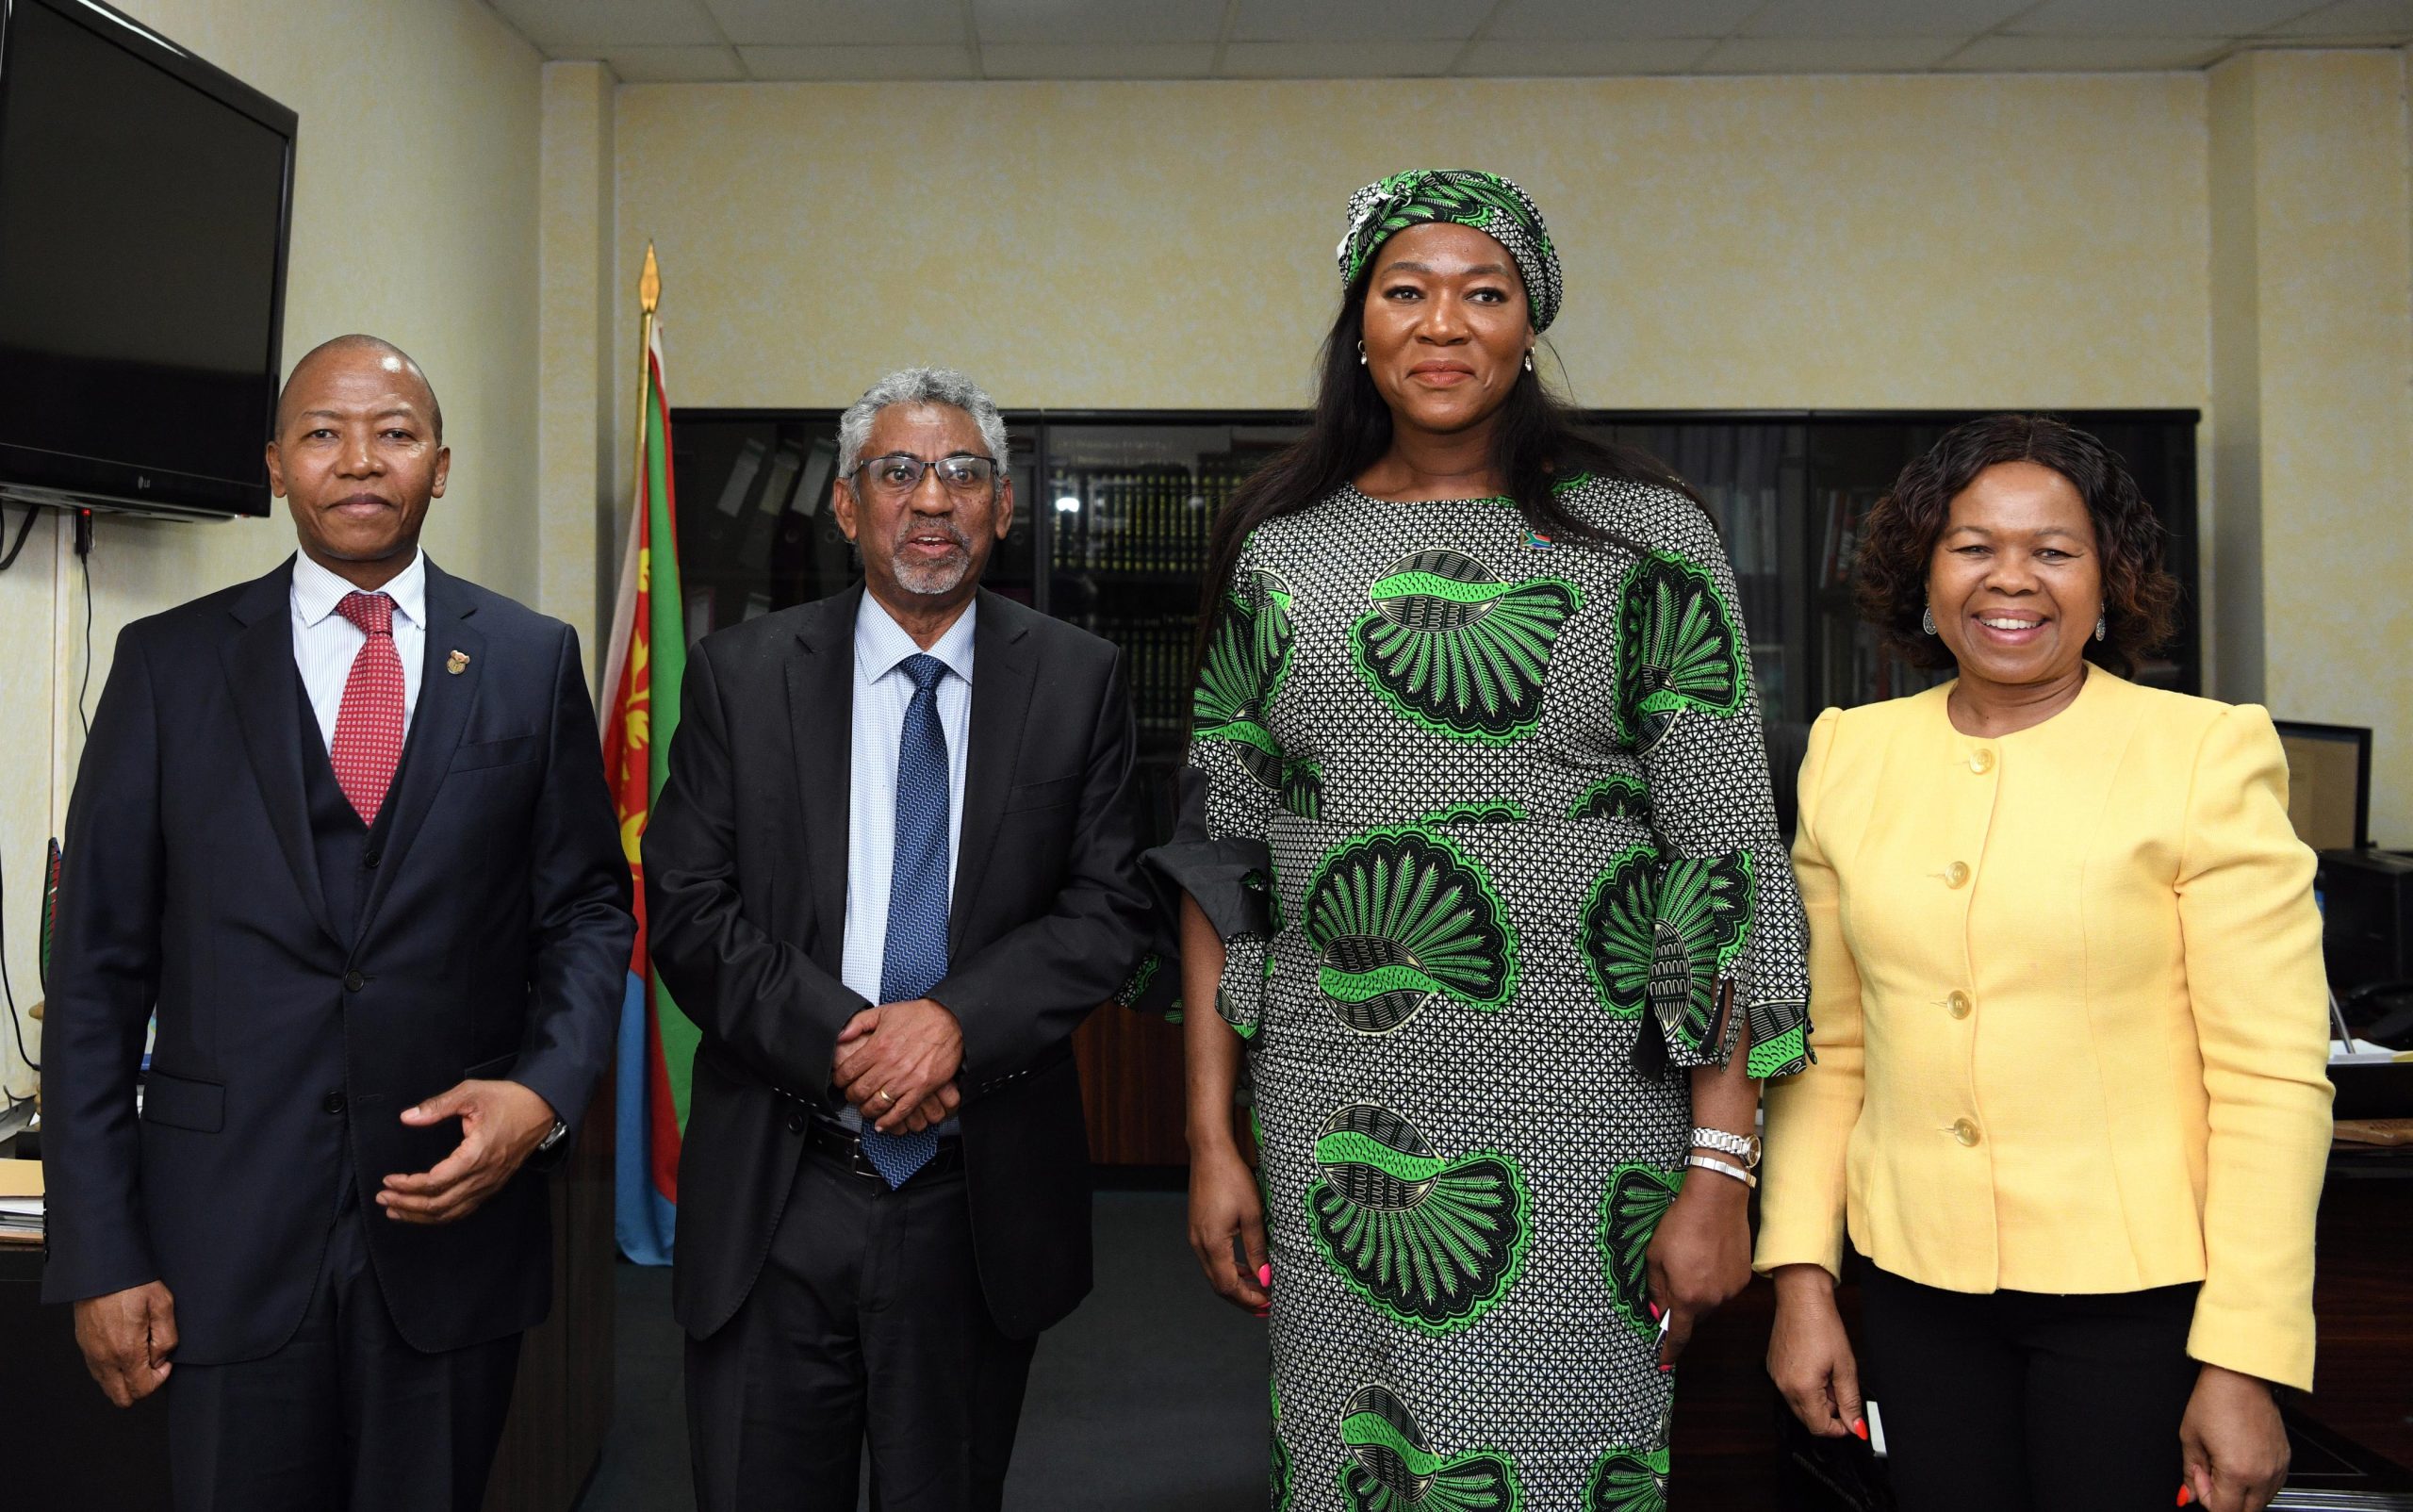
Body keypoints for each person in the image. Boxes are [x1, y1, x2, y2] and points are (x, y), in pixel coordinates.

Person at [1152, 170, 1812, 1508]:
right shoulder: (1280, 546)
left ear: (1528, 326)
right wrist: (1211, 1136)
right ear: (1360, 325)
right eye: (1407, 291)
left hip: (1584, 1111)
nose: (1443, 323)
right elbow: (1226, 859)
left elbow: (1722, 865)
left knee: (1559, 1467)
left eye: (1484, 293)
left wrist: (1720, 1166)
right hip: (1332, 1113)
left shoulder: (1642, 537)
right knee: (1353, 1466)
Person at [42, 335, 634, 1510]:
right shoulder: (166, 665)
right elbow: (98, 975)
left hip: (450, 1234)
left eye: (395, 433)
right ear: (275, 465)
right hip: (221, 1243)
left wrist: (544, 1091)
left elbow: (585, 910)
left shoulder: (528, 659)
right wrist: (99, 1251)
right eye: (323, 433)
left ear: (441, 465)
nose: (360, 460)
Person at [1758, 414, 2331, 1512]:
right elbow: (1828, 1050)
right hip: (1914, 1283)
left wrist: (2245, 1358)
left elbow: (2269, 1078)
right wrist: (1802, 1279)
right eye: (1972, 546)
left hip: (2139, 1299)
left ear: (2107, 580)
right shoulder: (1848, 753)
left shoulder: (2203, 752)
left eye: (2054, 550)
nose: (2010, 578)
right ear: (1923, 575)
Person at [645, 367, 1154, 1512]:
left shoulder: (1077, 679)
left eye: (964, 472)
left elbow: (1108, 905)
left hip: (972, 1198)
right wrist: (856, 1045)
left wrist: (952, 1026)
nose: (932, 498)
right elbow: (686, 902)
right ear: (845, 503)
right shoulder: (741, 675)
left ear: (1003, 506)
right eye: (899, 471)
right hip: (782, 1181)